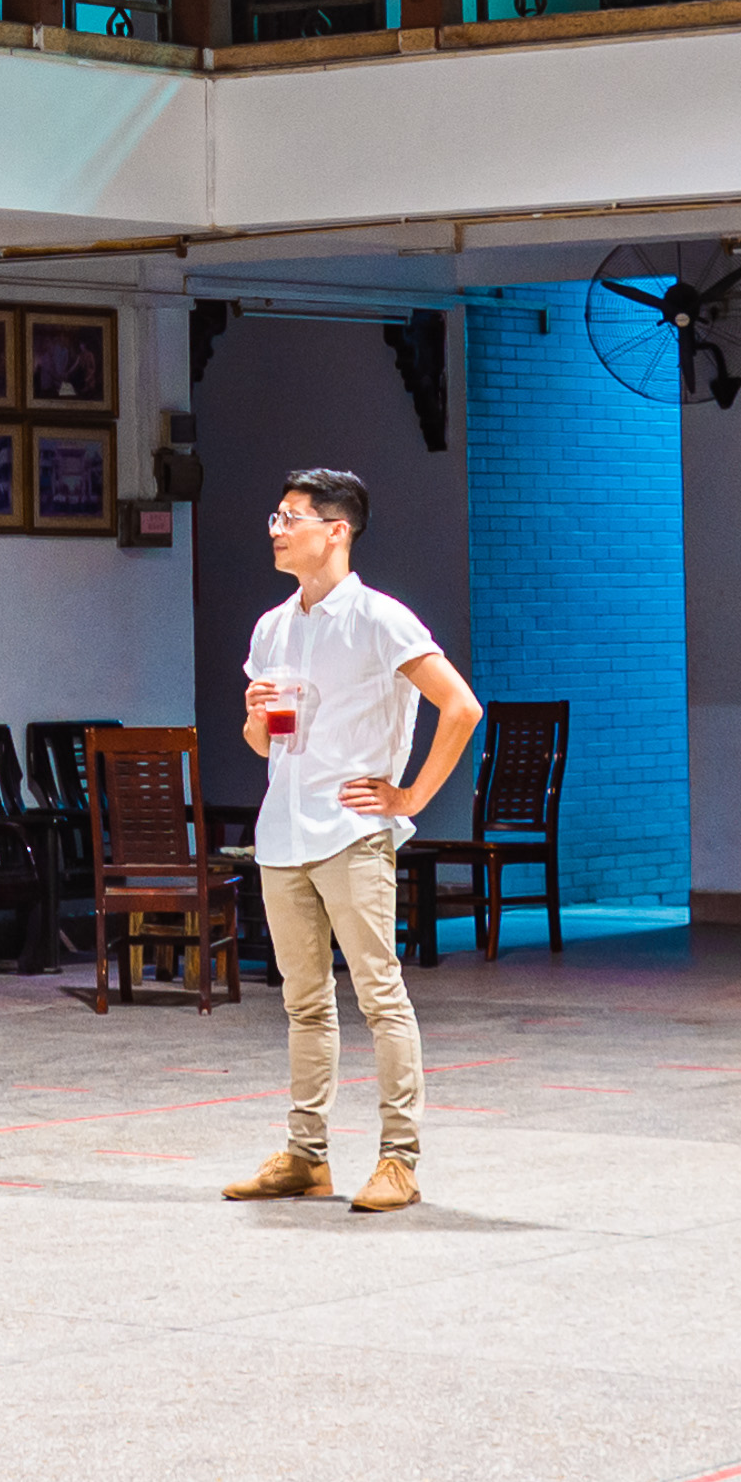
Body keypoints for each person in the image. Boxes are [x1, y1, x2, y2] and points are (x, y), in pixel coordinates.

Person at [223, 465, 479, 1216]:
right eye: (275, 516)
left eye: (291, 517)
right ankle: (306, 1156)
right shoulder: (273, 626)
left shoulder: (380, 619)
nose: (276, 529)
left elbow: (460, 707)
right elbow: (264, 744)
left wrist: (411, 797)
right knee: (304, 1002)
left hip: (352, 830)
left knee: (379, 995)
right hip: (283, 832)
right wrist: (254, 714)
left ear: (336, 531)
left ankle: (399, 1158)